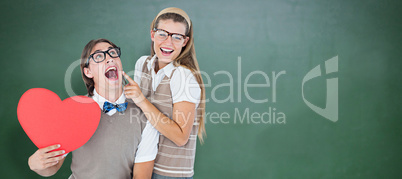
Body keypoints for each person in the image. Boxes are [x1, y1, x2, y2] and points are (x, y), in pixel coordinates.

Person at [27, 38, 159, 179]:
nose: (109, 59)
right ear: (88, 72)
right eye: (98, 56)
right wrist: (35, 164)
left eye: (113, 53)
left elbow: (142, 175)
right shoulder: (75, 110)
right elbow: (52, 168)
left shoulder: (144, 114)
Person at [122, 7, 206, 179]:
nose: (168, 42)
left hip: (168, 174)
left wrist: (141, 100)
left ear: (185, 41)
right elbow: (139, 116)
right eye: (162, 34)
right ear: (153, 35)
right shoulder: (142, 64)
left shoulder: (183, 76)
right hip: (139, 165)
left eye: (177, 37)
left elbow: (181, 137)